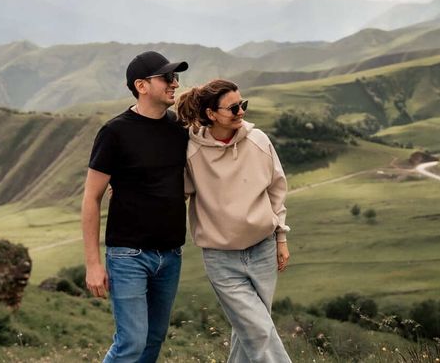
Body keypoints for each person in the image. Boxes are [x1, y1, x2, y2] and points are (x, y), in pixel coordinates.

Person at [82, 51, 189, 363]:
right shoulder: (114, 132)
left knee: (153, 340)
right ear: (141, 86)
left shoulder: (178, 128)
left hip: (171, 254)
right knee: (131, 342)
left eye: (175, 77)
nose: (175, 83)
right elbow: (91, 198)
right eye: (166, 78)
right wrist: (93, 264)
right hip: (128, 255)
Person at [177, 79, 292, 363]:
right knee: (258, 331)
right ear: (211, 114)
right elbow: (176, 190)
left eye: (243, 105)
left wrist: (281, 237)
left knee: (250, 331)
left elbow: (277, 190)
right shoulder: (192, 151)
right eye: (233, 108)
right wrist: (131, 185)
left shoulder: (258, 140)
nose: (241, 112)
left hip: (263, 248)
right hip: (221, 258)